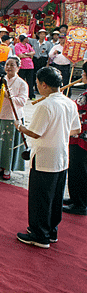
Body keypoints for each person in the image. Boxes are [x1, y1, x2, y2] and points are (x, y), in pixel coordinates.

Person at [14, 67, 80, 248]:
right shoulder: (69, 103)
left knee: (40, 197)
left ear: (44, 84)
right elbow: (76, 130)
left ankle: (39, 234)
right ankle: (51, 231)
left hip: (45, 157)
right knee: (55, 196)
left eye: (37, 84)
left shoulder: (46, 105)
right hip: (62, 156)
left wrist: (20, 127)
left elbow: (35, 133)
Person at [0, 57, 28, 180]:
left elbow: (23, 101)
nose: (8, 67)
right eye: (7, 64)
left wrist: (10, 97)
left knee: (9, 143)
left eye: (12, 65)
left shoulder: (21, 83)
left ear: (18, 67)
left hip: (12, 116)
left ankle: (7, 168)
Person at [64, 62, 87, 216]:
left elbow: (76, 108)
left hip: (81, 137)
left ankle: (80, 203)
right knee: (76, 168)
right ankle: (76, 198)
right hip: (80, 135)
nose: (82, 76)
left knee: (79, 169)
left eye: (84, 73)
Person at [15, 34, 36, 99]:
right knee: (20, 81)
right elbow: (20, 55)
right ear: (24, 39)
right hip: (22, 66)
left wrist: (26, 54)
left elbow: (33, 52)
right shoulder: (17, 46)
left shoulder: (28, 45)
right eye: (27, 38)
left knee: (30, 81)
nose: (28, 39)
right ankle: (19, 94)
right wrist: (29, 55)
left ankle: (31, 95)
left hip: (30, 66)